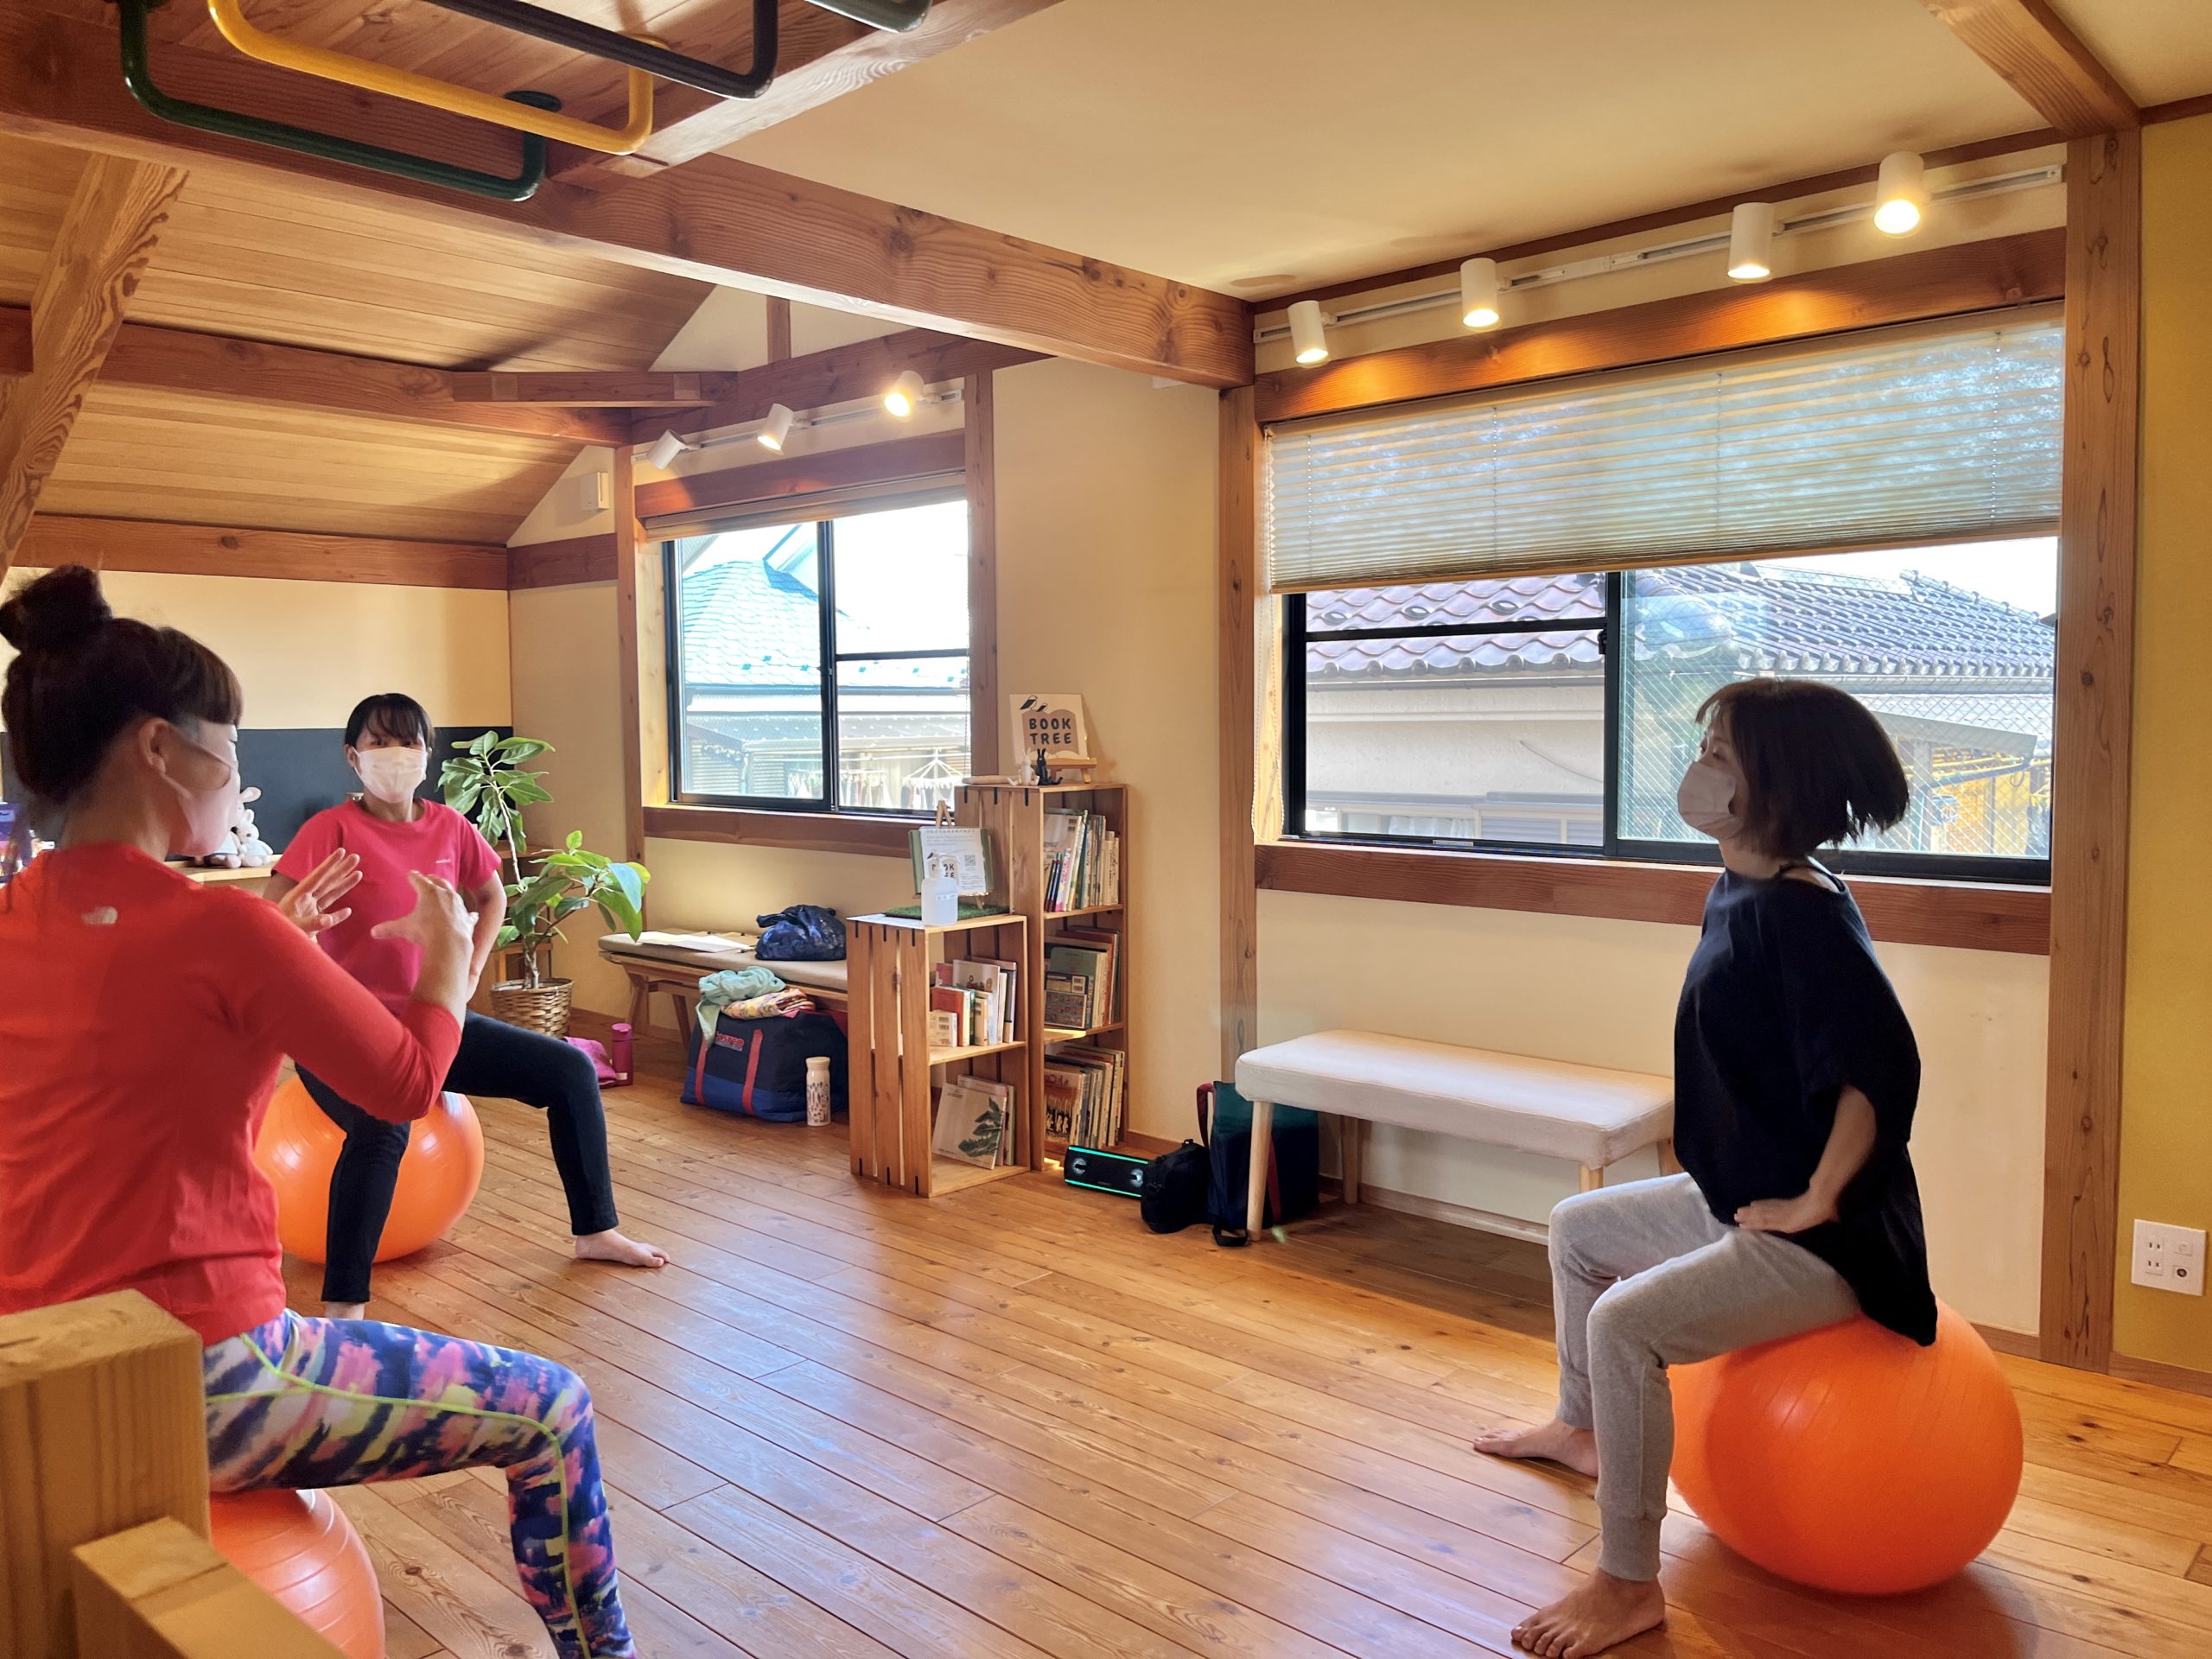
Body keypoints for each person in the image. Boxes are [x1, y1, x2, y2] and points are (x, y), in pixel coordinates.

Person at [0, 567, 635, 1659]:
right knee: (555, 1409)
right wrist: (446, 967)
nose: (238, 768)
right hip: (205, 1372)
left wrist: (282, 950)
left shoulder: (16, 913)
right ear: (160, 749)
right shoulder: (221, 927)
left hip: (39, 1367)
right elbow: (408, 1084)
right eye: (230, 743)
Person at [1477, 678, 1931, 1659]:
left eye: (1721, 754)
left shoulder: (1802, 915)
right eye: (1706, 747)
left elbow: (1879, 1069)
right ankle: (1582, 1431)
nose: (1699, 769)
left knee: (1626, 1324)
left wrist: (1818, 1199)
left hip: (1828, 1243)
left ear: (1778, 783)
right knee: (1578, 1227)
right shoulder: (1743, 885)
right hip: (1740, 1199)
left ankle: (1626, 1585)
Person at [263, 692, 664, 1319]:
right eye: (378, 742)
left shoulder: (450, 826)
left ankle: (596, 1231)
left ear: (427, 753)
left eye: (409, 741)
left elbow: (491, 894)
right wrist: (296, 925)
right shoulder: (329, 832)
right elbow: (273, 915)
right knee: (384, 1122)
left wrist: (470, 969)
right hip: (347, 1032)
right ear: (353, 756)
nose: (395, 754)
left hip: (435, 1022)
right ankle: (344, 1305)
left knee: (570, 1071)